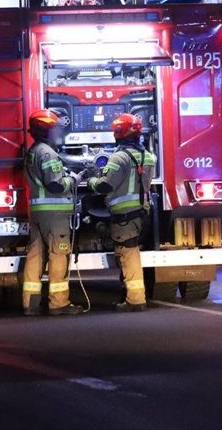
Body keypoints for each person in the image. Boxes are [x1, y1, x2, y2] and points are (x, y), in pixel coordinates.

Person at [89, 113, 157, 313]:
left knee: (128, 254)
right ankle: (129, 293)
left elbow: (104, 185)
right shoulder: (148, 156)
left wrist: (92, 180)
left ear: (119, 133)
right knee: (131, 251)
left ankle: (135, 300)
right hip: (142, 212)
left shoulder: (119, 157)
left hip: (124, 215)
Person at [21, 109, 85, 316]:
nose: (58, 132)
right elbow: (56, 185)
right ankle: (59, 303)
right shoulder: (47, 153)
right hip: (54, 214)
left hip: (39, 213)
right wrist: (75, 179)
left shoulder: (34, 150)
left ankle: (30, 304)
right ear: (46, 130)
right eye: (55, 128)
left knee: (35, 257)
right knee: (59, 255)